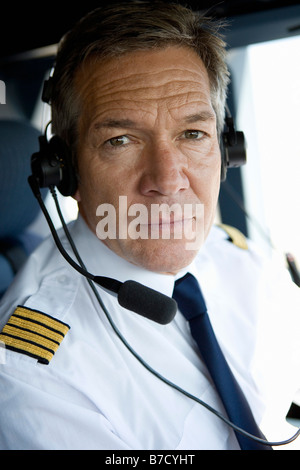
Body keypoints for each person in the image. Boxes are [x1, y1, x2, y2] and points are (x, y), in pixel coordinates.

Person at [0, 0, 299, 451]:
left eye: (193, 134)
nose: (167, 180)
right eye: (120, 140)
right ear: (64, 171)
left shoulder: (235, 256)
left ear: (226, 150)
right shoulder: (34, 375)